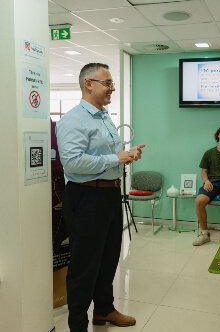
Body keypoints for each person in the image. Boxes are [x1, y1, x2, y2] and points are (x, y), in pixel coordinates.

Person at [56, 63, 145, 332]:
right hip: (85, 197)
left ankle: (104, 310)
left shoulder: (104, 116)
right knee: (85, 265)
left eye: (111, 83)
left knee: (108, 258)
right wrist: (115, 157)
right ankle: (78, 325)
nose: (112, 88)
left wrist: (126, 156)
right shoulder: (72, 120)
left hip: (108, 195)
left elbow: (103, 157)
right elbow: (71, 163)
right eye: (107, 83)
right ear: (88, 84)